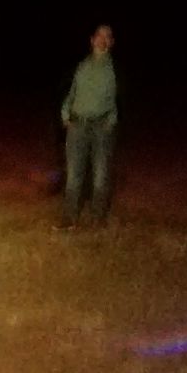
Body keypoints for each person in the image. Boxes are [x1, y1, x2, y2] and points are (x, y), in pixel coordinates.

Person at [60, 23, 117, 227]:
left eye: (107, 36)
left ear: (111, 42)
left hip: (101, 128)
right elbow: (73, 91)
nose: (102, 39)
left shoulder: (113, 69)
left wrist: (111, 121)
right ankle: (69, 219)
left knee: (100, 176)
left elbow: (119, 99)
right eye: (99, 35)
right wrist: (65, 112)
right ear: (92, 40)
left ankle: (98, 219)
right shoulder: (82, 66)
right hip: (77, 126)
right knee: (73, 175)